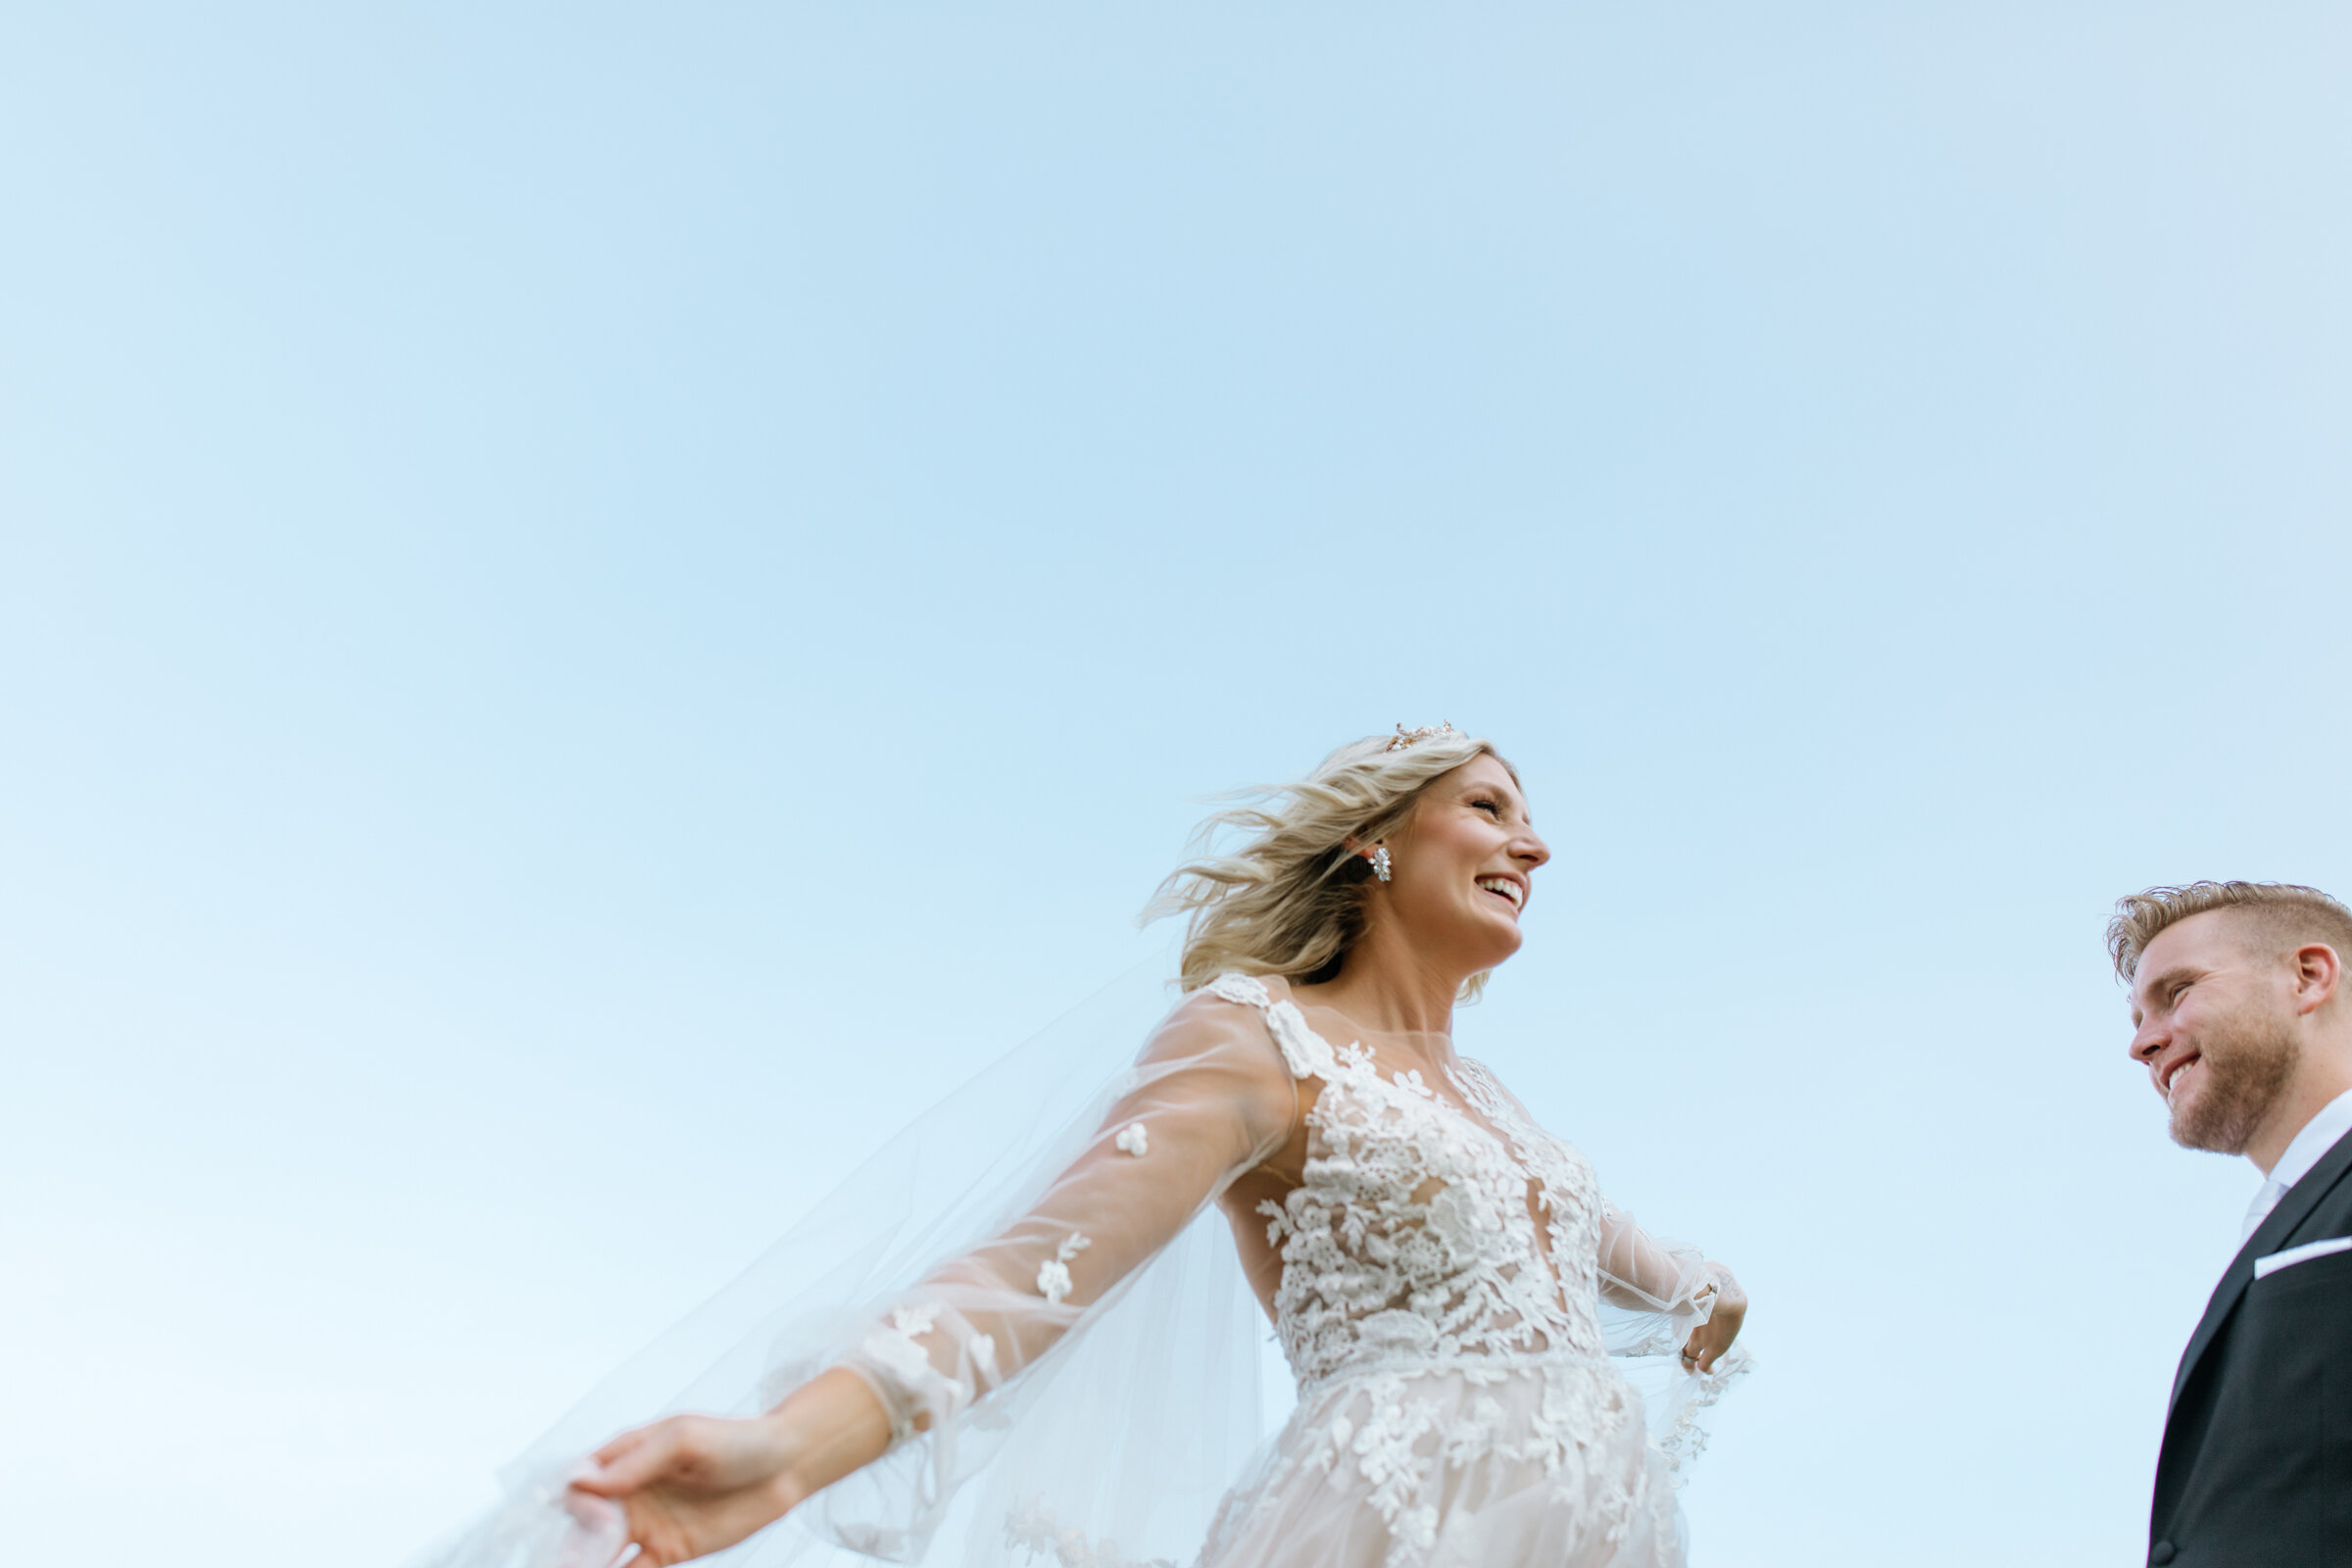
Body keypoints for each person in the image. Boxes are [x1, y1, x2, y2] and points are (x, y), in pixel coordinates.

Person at [423, 726, 1749, 1568]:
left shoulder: (1503, 1107)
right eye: (1490, 804)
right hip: (1394, 1529)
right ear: (1375, 837)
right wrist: (786, 1450)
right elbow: (1039, 1273)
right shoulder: (1256, 1045)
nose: (1535, 840)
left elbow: (1615, 1247)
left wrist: (1705, 1289)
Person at [2113, 880, 2352, 1567]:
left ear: (2308, 978)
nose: (2142, 1045)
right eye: (2135, 1021)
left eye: (2178, 991)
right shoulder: (2274, 1223)